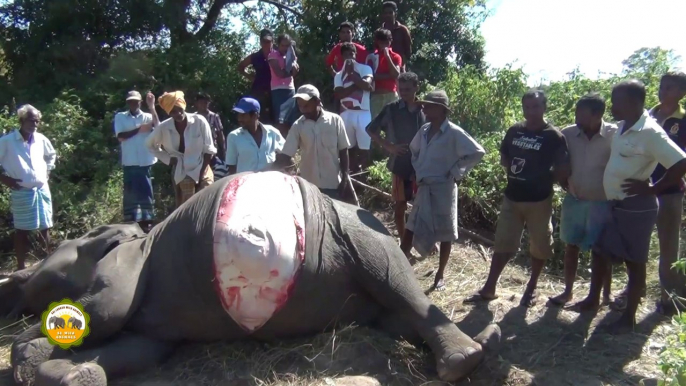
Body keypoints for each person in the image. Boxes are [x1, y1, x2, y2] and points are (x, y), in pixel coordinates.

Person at [569, 80, 686, 334]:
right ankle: (593, 300)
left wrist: (653, 188)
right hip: (614, 204)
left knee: (635, 262)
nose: (612, 105)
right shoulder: (624, 126)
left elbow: (680, 162)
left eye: (616, 100)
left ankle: (628, 318)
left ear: (633, 103)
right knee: (599, 251)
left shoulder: (651, 132)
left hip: (636, 207)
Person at [466, 90, 569, 308]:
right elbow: (505, 157)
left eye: (536, 106)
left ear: (544, 107)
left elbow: (562, 168)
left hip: (539, 200)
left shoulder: (553, 136)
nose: (531, 111)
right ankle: (489, 288)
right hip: (512, 197)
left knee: (539, 244)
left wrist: (542, 177)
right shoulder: (515, 131)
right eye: (527, 107)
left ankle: (531, 287)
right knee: (503, 242)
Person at [398, 90, 485, 291]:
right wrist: (418, 168)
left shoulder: (454, 133)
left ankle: (440, 275)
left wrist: (455, 171)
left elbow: (477, 152)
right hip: (425, 186)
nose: (424, 108)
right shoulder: (425, 130)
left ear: (441, 110)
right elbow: (414, 150)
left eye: (429, 105)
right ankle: (399, 269)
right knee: (411, 228)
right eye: (425, 105)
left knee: (446, 232)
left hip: (444, 188)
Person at [547, 94, 617, 306]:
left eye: (581, 112)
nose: (576, 116)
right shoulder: (567, 133)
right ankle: (567, 292)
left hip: (603, 201)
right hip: (575, 199)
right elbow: (558, 160)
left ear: (597, 115)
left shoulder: (615, 134)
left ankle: (605, 295)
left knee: (602, 251)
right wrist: (561, 179)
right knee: (571, 247)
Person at [367, 71, 426, 238]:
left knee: (423, 205)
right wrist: (389, 146)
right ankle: (403, 240)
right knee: (400, 205)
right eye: (401, 89)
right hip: (400, 164)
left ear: (416, 88)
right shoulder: (391, 109)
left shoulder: (425, 110)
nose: (403, 93)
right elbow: (371, 129)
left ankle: (423, 238)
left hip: (422, 165)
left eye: (407, 89)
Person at [271, 84, 352, 201]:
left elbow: (344, 150)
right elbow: (286, 154)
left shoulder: (335, 121)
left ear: (317, 102)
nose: (303, 110)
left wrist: (345, 177)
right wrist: (270, 172)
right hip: (309, 187)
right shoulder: (298, 126)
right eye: (300, 106)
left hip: (333, 185)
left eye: (306, 105)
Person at [0, 104, 56, 270]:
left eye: (37, 121)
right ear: (22, 120)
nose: (35, 125)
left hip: (41, 189)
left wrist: (48, 172)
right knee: (22, 230)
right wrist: (4, 179)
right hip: (22, 190)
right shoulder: (7, 141)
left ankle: (49, 263)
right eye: (32, 121)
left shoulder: (40, 139)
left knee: (45, 227)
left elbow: (51, 155)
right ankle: (21, 267)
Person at [648, 72, 686, 315]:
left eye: (670, 88)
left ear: (682, 93)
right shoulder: (647, 115)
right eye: (662, 86)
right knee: (636, 243)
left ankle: (671, 299)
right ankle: (633, 293)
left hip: (670, 190)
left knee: (669, 245)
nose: (663, 91)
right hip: (640, 188)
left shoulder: (683, 120)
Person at [145, 91, 217, 208]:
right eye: (173, 111)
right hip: (182, 171)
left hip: (201, 166)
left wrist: (201, 174)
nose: (178, 113)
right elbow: (149, 144)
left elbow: (209, 150)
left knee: (207, 201)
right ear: (169, 113)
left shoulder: (199, 121)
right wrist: (168, 159)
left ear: (183, 106)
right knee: (188, 207)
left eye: (179, 109)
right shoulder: (164, 127)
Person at [113, 90, 156, 232]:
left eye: (135, 101)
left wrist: (152, 106)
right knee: (131, 191)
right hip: (130, 160)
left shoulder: (148, 116)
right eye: (130, 101)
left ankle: (147, 221)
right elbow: (120, 136)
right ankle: (131, 221)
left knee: (146, 191)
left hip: (145, 160)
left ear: (140, 102)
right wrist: (139, 129)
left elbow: (159, 127)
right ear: (127, 103)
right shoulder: (120, 117)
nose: (133, 104)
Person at [334, 43, 374, 173]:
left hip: (363, 113)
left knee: (365, 145)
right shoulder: (339, 75)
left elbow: (367, 86)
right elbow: (340, 94)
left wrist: (352, 75)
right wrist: (357, 84)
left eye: (351, 54)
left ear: (355, 54)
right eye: (346, 55)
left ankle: (364, 171)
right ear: (342, 57)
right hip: (346, 113)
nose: (349, 57)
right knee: (348, 145)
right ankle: (351, 171)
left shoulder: (365, 69)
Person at [225, 97, 285, 174]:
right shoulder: (233, 137)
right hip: (245, 183)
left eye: (243, 115)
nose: (239, 118)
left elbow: (286, 154)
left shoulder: (272, 133)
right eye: (238, 115)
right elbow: (231, 167)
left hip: (269, 182)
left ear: (255, 115)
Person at [237, 29, 275, 123]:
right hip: (258, 91)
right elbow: (240, 67)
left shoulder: (277, 55)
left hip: (275, 91)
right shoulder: (255, 56)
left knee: (275, 118)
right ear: (260, 42)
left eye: (269, 41)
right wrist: (249, 77)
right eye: (264, 41)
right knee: (258, 117)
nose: (266, 44)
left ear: (272, 42)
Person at [268, 34, 300, 136]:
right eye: (283, 45)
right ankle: (279, 144)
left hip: (290, 89)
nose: (285, 48)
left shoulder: (291, 55)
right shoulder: (273, 55)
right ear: (278, 45)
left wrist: (295, 69)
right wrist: (291, 72)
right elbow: (279, 73)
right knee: (280, 120)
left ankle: (289, 146)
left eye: (287, 45)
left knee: (290, 119)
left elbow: (294, 72)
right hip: (278, 90)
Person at [366, 28, 402, 120]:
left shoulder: (396, 56)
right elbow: (372, 76)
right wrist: (389, 76)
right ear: (377, 42)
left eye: (387, 41)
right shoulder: (371, 57)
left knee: (393, 125)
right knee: (374, 125)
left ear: (391, 41)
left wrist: (387, 57)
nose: (384, 45)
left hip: (391, 95)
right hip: (376, 96)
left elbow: (396, 74)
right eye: (382, 42)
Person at [194, 92, 227, 179]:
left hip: (211, 149)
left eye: (206, 102)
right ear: (196, 103)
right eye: (201, 102)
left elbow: (220, 134)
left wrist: (223, 150)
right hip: (197, 150)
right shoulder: (193, 117)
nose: (204, 105)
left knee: (215, 172)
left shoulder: (214, 116)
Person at [380, 1, 412, 70]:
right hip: (383, 68)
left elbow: (408, 52)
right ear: (383, 15)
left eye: (390, 13)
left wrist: (401, 65)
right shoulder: (379, 32)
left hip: (400, 68)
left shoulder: (403, 30)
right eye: (386, 13)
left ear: (395, 14)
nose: (388, 15)